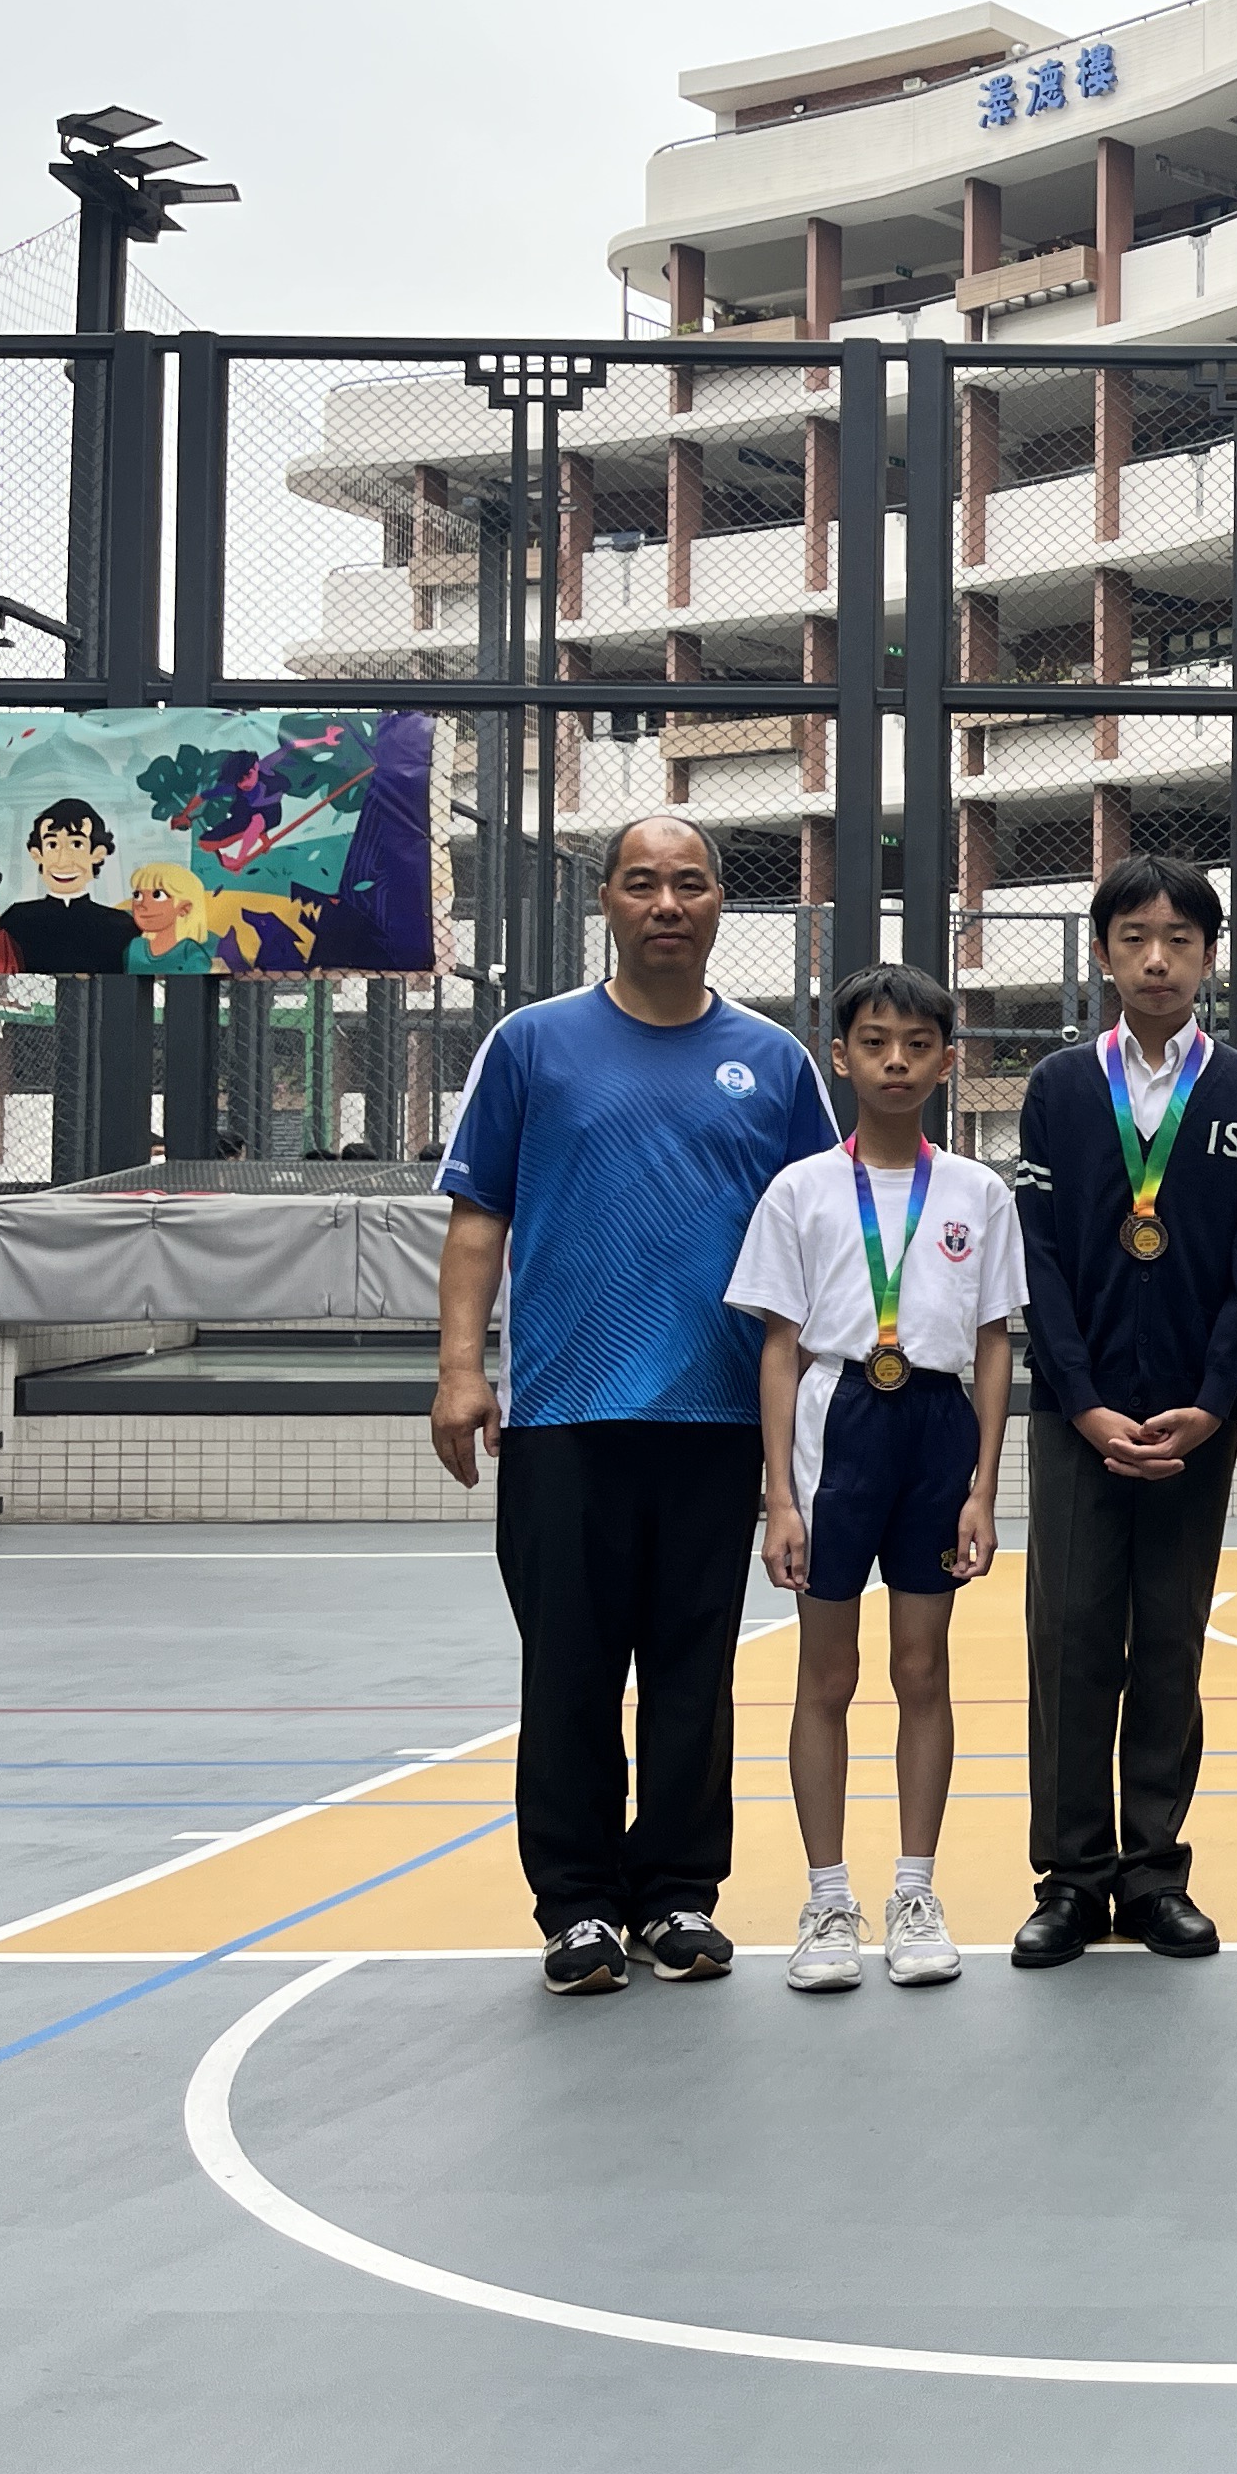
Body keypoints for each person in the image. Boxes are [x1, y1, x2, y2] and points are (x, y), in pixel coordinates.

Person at [432, 814, 838, 1995]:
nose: (668, 904)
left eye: (690, 884)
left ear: (720, 906)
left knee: (692, 1671)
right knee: (567, 1670)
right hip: (565, 1415)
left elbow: (818, 1228)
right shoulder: (531, 1045)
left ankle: (674, 1896)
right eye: (644, 884)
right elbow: (479, 1218)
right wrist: (461, 1368)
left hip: (718, 1421)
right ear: (605, 900)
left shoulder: (774, 1063)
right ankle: (576, 1907)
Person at [1009, 856, 1237, 1965]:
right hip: (1077, 1420)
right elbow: (1035, 1259)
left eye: (1179, 939)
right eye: (1134, 938)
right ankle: (1071, 1879)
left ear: (1211, 956)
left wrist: (1212, 1402)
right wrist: (1078, 1402)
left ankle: (1155, 1870)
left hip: (1192, 1422)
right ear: (1103, 953)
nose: (1157, 959)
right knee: (1071, 1636)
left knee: (1170, 1639)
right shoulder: (1060, 1087)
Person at [729, 964, 1023, 1992]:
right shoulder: (801, 1190)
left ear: (947, 1062)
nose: (895, 1061)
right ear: (841, 1057)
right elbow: (778, 1350)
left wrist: (983, 1486)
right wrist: (778, 1495)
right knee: (827, 1675)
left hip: (937, 1427)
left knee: (921, 1669)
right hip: (836, 1424)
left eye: (917, 1045)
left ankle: (914, 1891)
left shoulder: (979, 1193)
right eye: (874, 1042)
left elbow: (994, 1344)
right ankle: (825, 1899)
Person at [0, 799, 141, 974]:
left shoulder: (121, 925)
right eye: (52, 845)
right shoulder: (16, 920)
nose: (63, 861)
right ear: (37, 854)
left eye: (77, 844)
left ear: (97, 854)